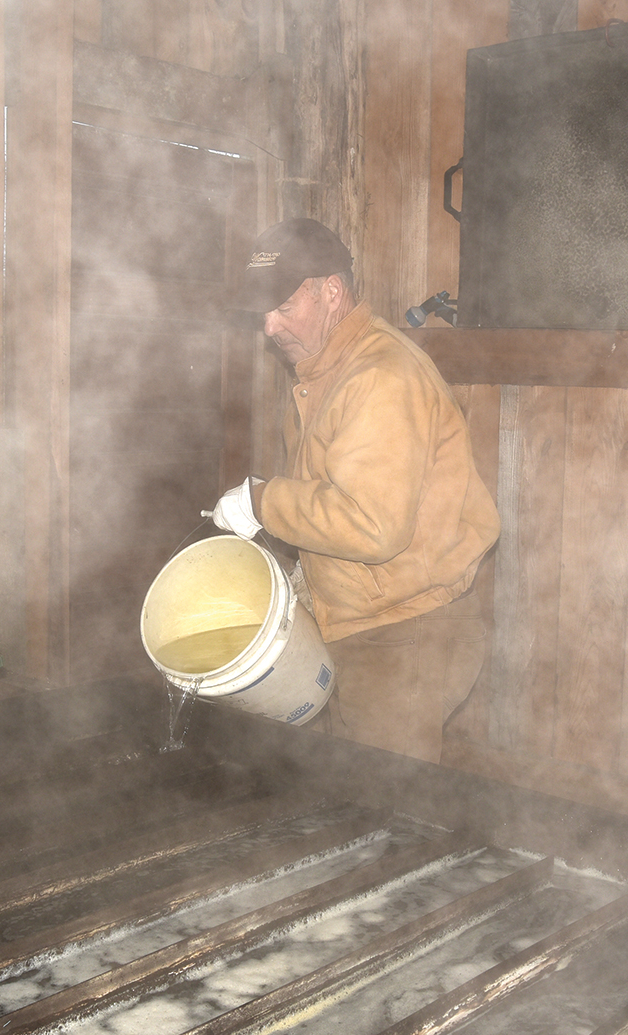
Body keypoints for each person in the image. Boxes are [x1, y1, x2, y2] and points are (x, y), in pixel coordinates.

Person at [211, 217, 500, 762]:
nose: (269, 327)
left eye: (284, 307)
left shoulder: (380, 377)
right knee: (345, 787)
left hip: (404, 630)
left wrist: (263, 502)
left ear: (332, 292)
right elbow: (330, 494)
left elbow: (372, 526)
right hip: (359, 618)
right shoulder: (323, 372)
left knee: (386, 798)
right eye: (262, 313)